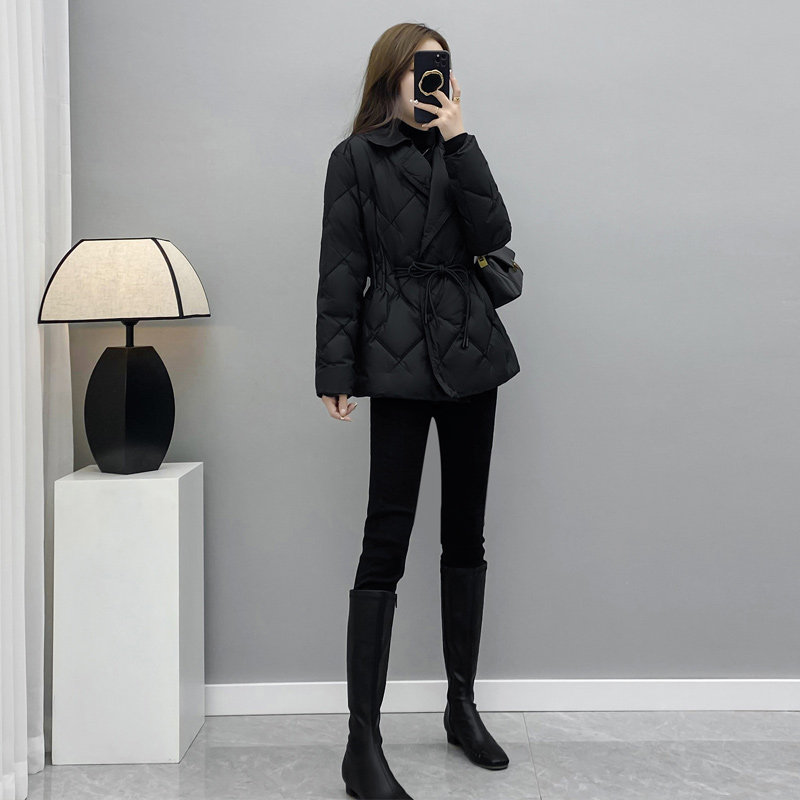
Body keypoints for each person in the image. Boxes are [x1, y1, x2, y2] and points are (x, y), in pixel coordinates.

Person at [315, 22, 521, 800]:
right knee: (386, 539)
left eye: (439, 68)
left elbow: (494, 233)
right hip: (397, 354)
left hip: (470, 353)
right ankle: (361, 742)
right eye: (416, 68)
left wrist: (460, 140)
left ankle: (461, 708)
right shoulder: (355, 158)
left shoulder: (457, 148)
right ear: (390, 77)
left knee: (465, 533)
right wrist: (335, 368)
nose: (429, 81)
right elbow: (341, 267)